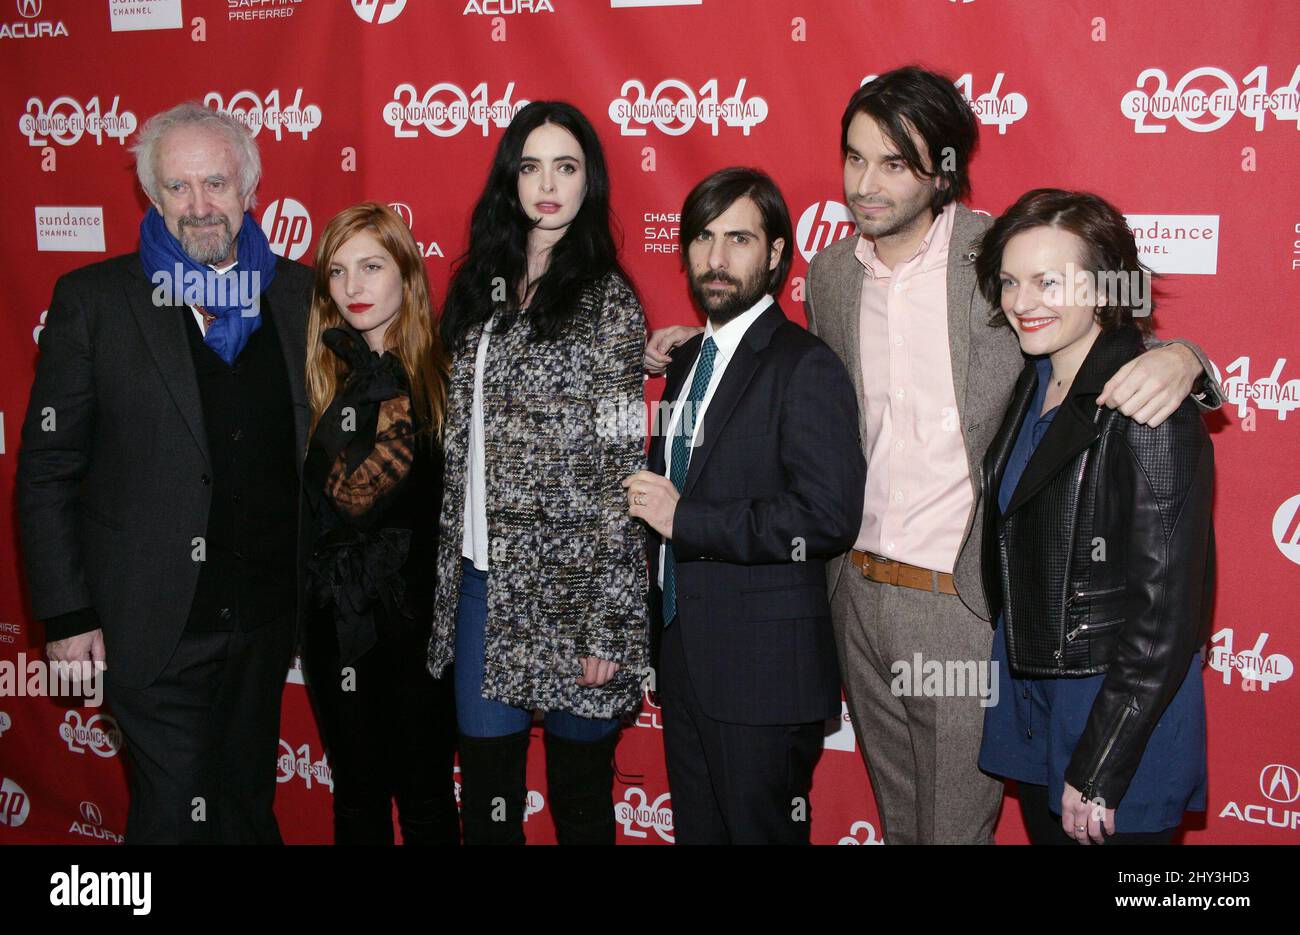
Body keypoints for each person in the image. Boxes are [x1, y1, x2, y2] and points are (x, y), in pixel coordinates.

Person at [644, 66, 1222, 844]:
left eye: (895, 162)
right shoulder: (832, 276)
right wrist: (707, 346)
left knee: (952, 832)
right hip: (855, 591)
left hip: (962, 602)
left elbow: (1093, 321)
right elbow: (794, 393)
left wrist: (1184, 356)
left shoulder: (998, 256)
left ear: (943, 169)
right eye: (855, 158)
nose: (866, 184)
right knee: (903, 826)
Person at [17, 101, 311, 843]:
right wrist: (68, 614)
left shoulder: (298, 295)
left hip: (264, 617)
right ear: (151, 195)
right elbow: (49, 468)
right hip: (148, 623)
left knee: (244, 804)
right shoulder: (94, 302)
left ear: (249, 188)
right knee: (175, 814)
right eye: (178, 187)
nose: (199, 205)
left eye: (216, 182)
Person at [428, 100, 648, 845]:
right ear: (509, 179)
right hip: (483, 586)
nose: (547, 184)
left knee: (579, 806)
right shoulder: (477, 291)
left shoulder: (609, 303)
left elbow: (625, 466)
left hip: (576, 589)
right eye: (530, 166)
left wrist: (607, 622)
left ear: (591, 182)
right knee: (487, 807)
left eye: (567, 166)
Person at [625, 168, 864, 844]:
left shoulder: (804, 364)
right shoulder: (687, 360)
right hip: (685, 655)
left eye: (739, 238)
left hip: (762, 670)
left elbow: (827, 515)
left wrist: (687, 520)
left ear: (778, 254)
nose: (717, 258)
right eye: (703, 237)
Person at [975, 189, 1213, 845]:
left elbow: (1166, 613)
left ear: (1108, 282)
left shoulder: (1149, 404)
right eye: (1011, 281)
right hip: (1036, 694)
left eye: (1050, 280)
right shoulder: (1033, 377)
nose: (1025, 301)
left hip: (1117, 713)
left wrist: (1104, 760)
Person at [300, 202, 459, 844]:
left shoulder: (443, 379)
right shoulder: (320, 380)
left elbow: (358, 495)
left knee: (424, 798)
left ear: (407, 275)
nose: (353, 287)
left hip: (416, 625)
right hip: (332, 623)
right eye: (337, 272)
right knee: (356, 798)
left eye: (371, 266)